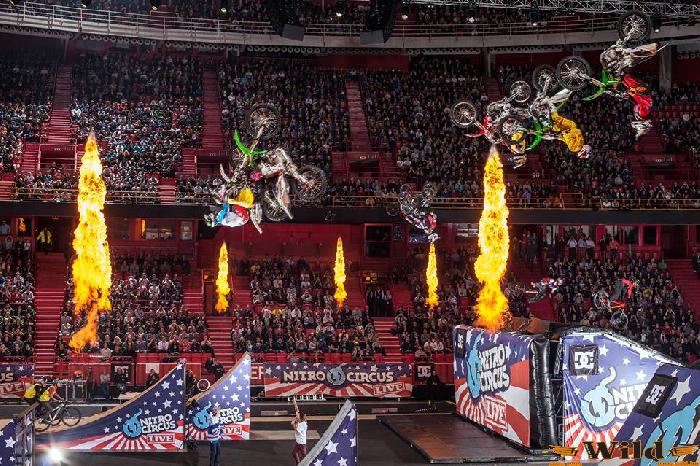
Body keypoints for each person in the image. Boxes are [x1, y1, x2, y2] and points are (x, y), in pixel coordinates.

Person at [291, 399, 307, 464]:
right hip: (298, 442)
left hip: (302, 443)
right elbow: (297, 410)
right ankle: (298, 463)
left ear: (300, 417)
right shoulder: (299, 421)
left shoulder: (303, 424)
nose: (296, 416)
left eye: (297, 416)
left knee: (305, 457)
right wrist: (295, 403)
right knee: (294, 453)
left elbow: (297, 432)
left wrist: (293, 424)